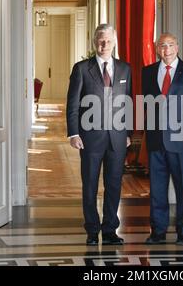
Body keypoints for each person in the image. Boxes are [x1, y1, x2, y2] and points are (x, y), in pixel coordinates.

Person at [67, 24, 132, 246]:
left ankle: (111, 229)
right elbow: (73, 104)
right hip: (89, 138)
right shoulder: (82, 69)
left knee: (114, 184)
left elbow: (128, 103)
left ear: (115, 42)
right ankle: (93, 231)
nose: (104, 45)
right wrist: (74, 133)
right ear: (95, 42)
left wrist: (128, 133)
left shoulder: (125, 69)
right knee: (90, 185)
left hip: (117, 137)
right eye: (100, 41)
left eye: (108, 41)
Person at [142, 33, 183, 245]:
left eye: (170, 45)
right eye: (162, 45)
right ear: (157, 48)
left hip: (180, 140)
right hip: (156, 141)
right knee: (157, 189)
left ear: (177, 47)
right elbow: (146, 104)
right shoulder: (148, 72)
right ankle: (158, 232)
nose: (166, 49)